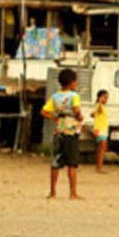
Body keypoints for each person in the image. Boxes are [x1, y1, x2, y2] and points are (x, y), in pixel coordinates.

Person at [41, 68, 83, 199]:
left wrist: (55, 118)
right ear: (71, 83)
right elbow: (76, 110)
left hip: (59, 130)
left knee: (55, 162)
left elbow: (44, 111)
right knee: (72, 163)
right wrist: (80, 117)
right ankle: (73, 193)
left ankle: (52, 192)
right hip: (71, 130)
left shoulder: (55, 97)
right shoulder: (74, 96)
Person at [91, 89, 109, 174]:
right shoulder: (99, 105)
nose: (106, 99)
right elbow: (94, 113)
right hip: (100, 129)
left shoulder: (101, 106)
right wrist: (100, 102)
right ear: (100, 97)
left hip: (102, 129)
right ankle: (100, 168)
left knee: (100, 149)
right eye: (105, 97)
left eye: (107, 97)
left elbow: (93, 114)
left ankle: (98, 167)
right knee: (102, 149)